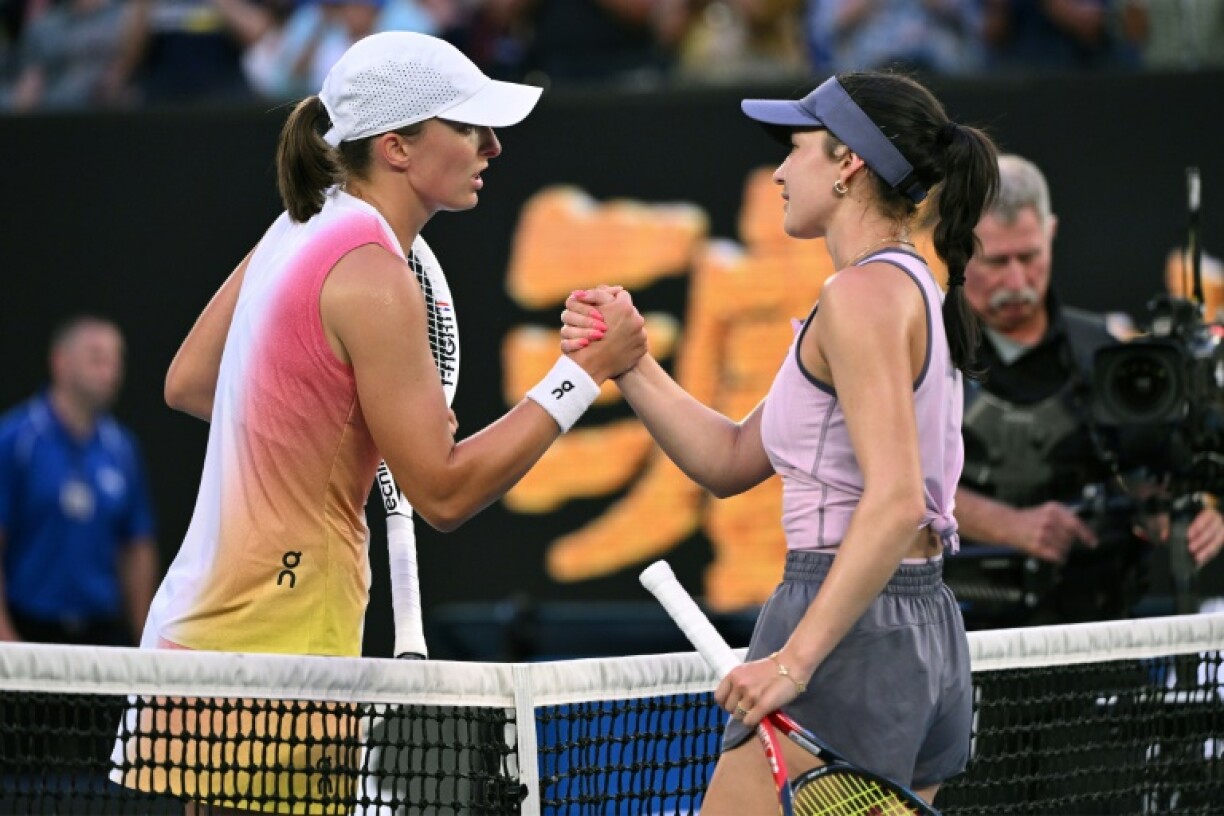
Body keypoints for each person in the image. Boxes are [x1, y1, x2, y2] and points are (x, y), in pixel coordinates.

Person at [113, 30, 645, 813]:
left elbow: (191, 383)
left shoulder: (299, 224)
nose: (492, 145)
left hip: (205, 624)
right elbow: (446, 493)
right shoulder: (372, 272)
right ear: (396, 147)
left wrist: (342, 427)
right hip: (283, 637)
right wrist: (582, 376)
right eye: (466, 126)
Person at [564, 72, 999, 809]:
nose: (779, 171)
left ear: (848, 162)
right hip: (919, 633)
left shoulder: (859, 297)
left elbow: (897, 503)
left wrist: (793, 663)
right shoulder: (905, 289)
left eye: (795, 148)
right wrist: (629, 362)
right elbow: (731, 459)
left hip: (845, 637)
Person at [951, 153, 1224, 626]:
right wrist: (1007, 525)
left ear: (1052, 232)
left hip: (1092, 622)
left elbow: (1143, 473)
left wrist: (1177, 515)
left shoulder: (1103, 352)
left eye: (1029, 257)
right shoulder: (924, 352)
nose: (1016, 281)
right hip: (959, 628)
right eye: (996, 261)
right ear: (958, 247)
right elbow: (884, 483)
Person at [0, 315, 158, 647]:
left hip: (102, 632)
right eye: (96, 357)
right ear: (60, 361)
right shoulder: (16, 441)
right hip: (29, 628)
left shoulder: (122, 449)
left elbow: (137, 546)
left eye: (116, 359)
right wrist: (7, 638)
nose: (110, 371)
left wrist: (145, 641)